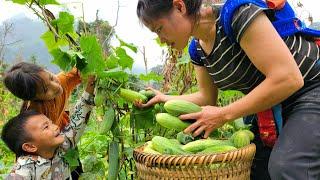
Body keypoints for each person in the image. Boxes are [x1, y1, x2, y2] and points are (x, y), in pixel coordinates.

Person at [136, 0, 320, 179]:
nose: (161, 40)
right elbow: (206, 98)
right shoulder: (197, 50)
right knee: (255, 169)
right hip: (271, 104)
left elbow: (288, 78)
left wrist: (223, 114)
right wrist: (163, 98)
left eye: (159, 29)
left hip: (311, 87)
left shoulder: (237, 14)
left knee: (287, 167)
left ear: (179, 6)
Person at [1, 76, 95, 179]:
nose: (55, 127)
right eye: (46, 127)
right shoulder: (25, 167)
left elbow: (78, 121)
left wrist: (90, 86)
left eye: (50, 123)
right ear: (30, 147)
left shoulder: (62, 147)